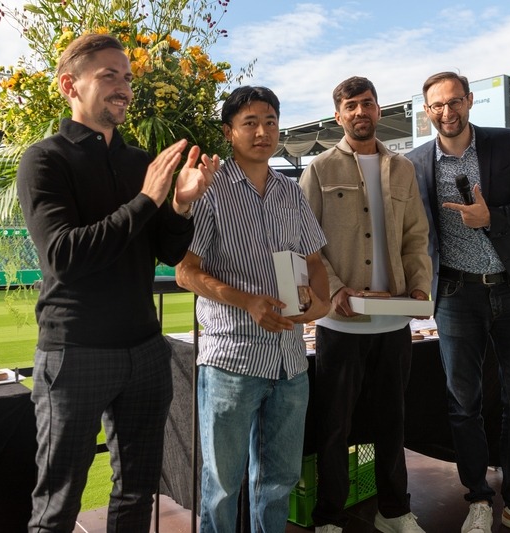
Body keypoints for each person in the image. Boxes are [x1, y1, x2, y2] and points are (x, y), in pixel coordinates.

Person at [16, 33, 218, 532]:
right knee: (57, 503)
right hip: (75, 351)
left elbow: (168, 252)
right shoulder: (45, 159)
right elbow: (64, 256)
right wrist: (147, 200)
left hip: (145, 351)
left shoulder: (138, 162)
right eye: (109, 75)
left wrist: (180, 204)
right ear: (70, 85)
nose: (124, 88)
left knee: (137, 494)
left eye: (127, 77)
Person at [406, 71, 510, 533]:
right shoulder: (415, 162)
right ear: (427, 111)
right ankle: (477, 498)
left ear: (470, 100)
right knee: (463, 405)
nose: (447, 112)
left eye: (454, 101)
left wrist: (492, 216)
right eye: (437, 105)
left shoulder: (506, 143)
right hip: (456, 295)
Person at [175, 86, 331, 533]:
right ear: (229, 132)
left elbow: (315, 261)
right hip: (232, 360)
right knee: (222, 486)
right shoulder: (210, 191)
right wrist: (247, 302)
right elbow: (186, 272)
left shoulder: (290, 193)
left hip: (290, 361)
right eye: (250, 123)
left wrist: (318, 304)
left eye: (270, 122)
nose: (262, 132)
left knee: (279, 482)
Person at [299, 76, 433, 533]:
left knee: (393, 424)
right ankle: (329, 518)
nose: (361, 111)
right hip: (340, 326)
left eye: (368, 103)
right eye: (352, 105)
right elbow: (304, 242)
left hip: (393, 324)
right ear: (338, 115)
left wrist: (419, 289)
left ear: (379, 110)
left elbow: (415, 236)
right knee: (334, 428)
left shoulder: (403, 169)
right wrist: (336, 290)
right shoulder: (319, 169)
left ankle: (393, 511)